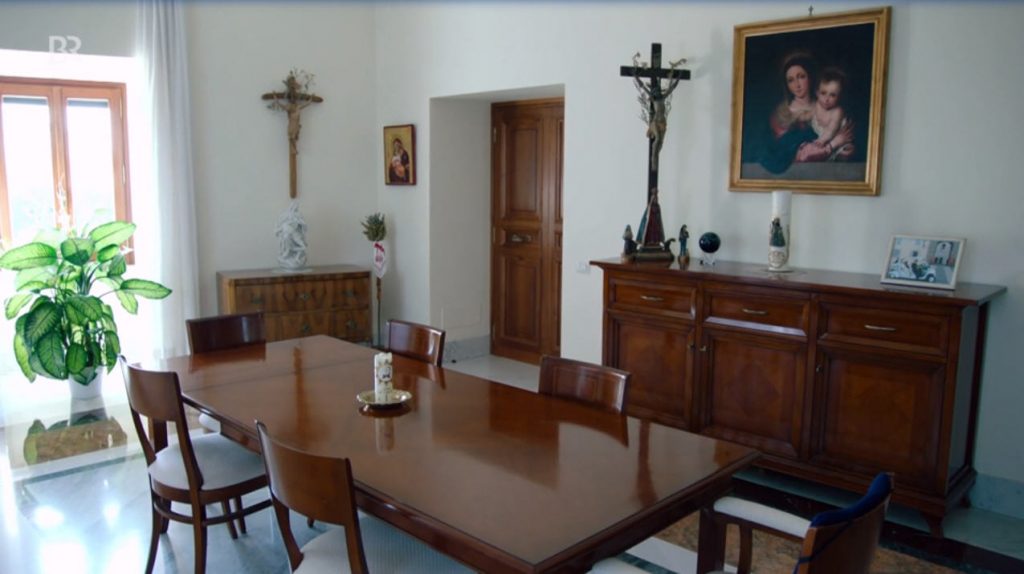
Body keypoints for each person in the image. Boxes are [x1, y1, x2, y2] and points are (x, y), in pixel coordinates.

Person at [760, 52, 854, 173]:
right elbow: (791, 154)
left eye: (801, 77)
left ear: (810, 77)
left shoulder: (828, 107)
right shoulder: (780, 115)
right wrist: (834, 144)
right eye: (791, 80)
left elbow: (845, 138)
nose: (797, 85)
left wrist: (844, 149)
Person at [796, 67, 855, 162]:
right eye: (823, 93)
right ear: (817, 92)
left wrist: (822, 140)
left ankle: (838, 157)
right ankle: (824, 154)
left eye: (832, 95)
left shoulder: (837, 111)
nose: (827, 99)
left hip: (838, 140)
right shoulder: (816, 105)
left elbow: (832, 130)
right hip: (824, 142)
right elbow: (806, 115)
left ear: (839, 96)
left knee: (848, 150)